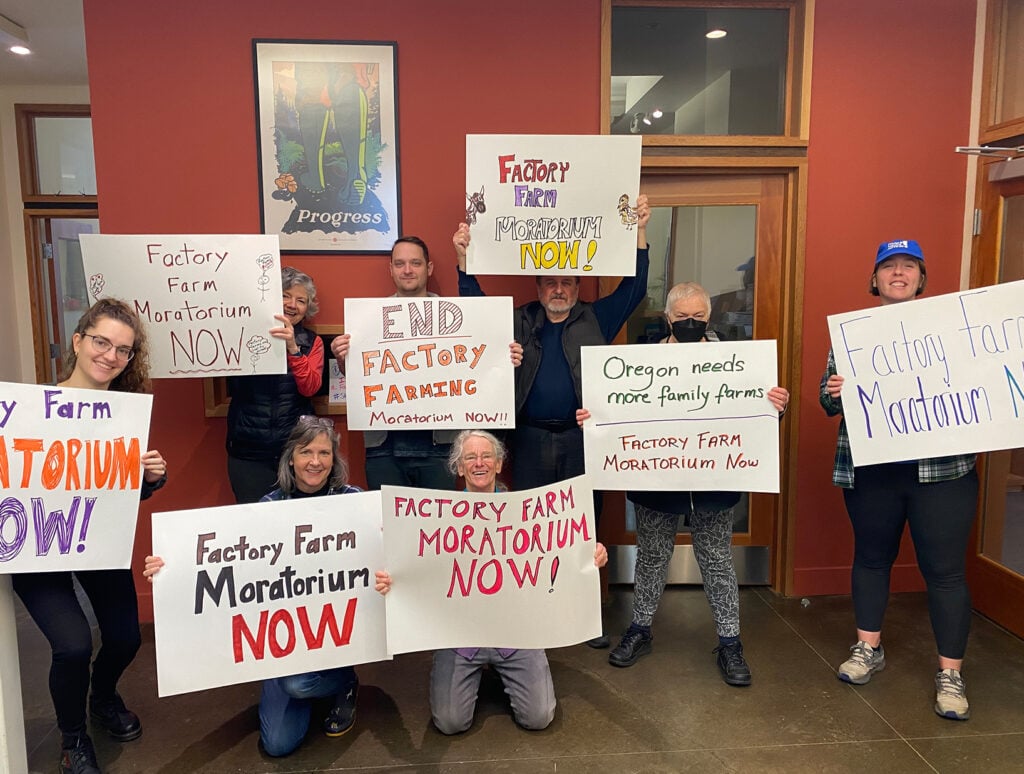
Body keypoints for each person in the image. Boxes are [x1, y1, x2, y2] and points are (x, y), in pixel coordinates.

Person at [454, 195, 651, 648]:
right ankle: (533, 614)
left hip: (584, 441)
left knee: (583, 527)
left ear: (579, 287)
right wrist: (463, 260)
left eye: (566, 282)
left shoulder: (598, 316)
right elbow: (475, 308)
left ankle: (582, 617)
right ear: (539, 288)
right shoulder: (520, 320)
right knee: (530, 529)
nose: (558, 289)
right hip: (529, 439)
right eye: (549, 283)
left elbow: (636, 288)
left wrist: (640, 231)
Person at [577, 282, 789, 685]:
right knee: (652, 558)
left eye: (698, 318)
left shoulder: (735, 362)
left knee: (717, 560)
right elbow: (617, 414)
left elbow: (753, 422)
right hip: (657, 480)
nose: (691, 324)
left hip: (714, 481)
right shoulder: (639, 365)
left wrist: (773, 408)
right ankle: (639, 629)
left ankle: (730, 643)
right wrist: (597, 420)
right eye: (682, 318)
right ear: (667, 319)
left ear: (708, 318)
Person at [820, 239, 978, 720]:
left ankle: (950, 674)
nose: (899, 273)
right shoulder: (851, 335)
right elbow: (829, 405)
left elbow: (978, 385)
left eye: (909, 266)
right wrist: (835, 392)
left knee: (946, 573)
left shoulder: (953, 330)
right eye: (889, 266)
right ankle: (869, 648)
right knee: (870, 559)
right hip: (873, 472)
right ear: (875, 279)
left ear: (920, 278)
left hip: (942, 474)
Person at [145, 415, 362, 755]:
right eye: (306, 452)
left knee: (299, 683)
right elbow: (226, 565)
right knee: (277, 745)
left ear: (334, 459)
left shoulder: (354, 501)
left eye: (324, 453)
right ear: (291, 457)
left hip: (331, 632)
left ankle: (343, 680)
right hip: (283, 637)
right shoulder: (267, 508)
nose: (315, 462)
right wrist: (170, 567)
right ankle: (304, 684)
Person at [13, 298, 167, 774]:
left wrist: (152, 478)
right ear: (78, 341)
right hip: (38, 544)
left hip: (96, 540)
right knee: (74, 644)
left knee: (124, 638)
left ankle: (102, 697)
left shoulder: (122, 416)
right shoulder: (28, 410)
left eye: (123, 349)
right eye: (102, 341)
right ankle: (72, 738)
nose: (110, 355)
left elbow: (118, 495)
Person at [375, 429, 608, 733]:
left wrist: (589, 556)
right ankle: (468, 671)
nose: (479, 463)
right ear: (459, 467)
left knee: (538, 718)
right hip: (461, 637)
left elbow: (559, 555)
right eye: (470, 457)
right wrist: (394, 580)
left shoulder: (529, 513)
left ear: (499, 464)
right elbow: (419, 569)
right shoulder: (434, 518)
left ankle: (502, 671)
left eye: (487, 456)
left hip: (516, 634)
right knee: (449, 723)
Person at [329, 236, 523, 489]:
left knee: (437, 526)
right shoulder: (368, 321)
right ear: (391, 269)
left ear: (428, 268)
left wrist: (505, 356)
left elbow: (483, 355)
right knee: (390, 525)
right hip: (383, 447)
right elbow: (359, 377)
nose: (407, 270)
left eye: (415, 263)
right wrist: (344, 359)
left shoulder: (458, 316)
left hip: (439, 447)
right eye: (400, 264)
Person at [226, 267, 324, 503]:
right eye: (286, 296)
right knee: (255, 520)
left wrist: (293, 348)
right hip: (248, 450)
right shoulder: (240, 333)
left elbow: (310, 388)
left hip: (294, 450)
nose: (292, 305)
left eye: (301, 300)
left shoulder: (312, 342)